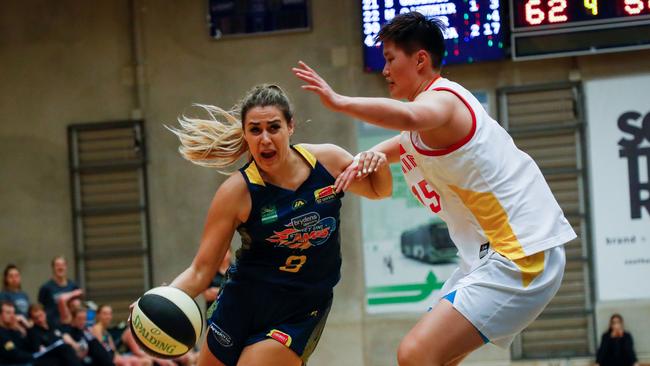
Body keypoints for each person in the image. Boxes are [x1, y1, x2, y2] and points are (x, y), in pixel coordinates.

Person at [293, 11, 576, 366]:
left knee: (415, 353)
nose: (384, 71)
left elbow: (408, 118)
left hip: (522, 255)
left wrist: (340, 102)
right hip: (488, 257)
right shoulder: (422, 129)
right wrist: (360, 158)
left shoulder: (445, 101)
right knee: (435, 357)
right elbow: (391, 145)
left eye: (390, 59)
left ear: (421, 60)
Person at [161, 84, 391, 366]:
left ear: (290, 127)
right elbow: (200, 270)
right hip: (243, 302)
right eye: (255, 130)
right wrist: (160, 300)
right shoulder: (236, 192)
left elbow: (379, 191)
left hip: (302, 308)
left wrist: (379, 163)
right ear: (246, 134)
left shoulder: (327, 163)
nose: (265, 138)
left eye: (274, 127)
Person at [38, 255, 80, 328]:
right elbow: (41, 308)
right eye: (57, 265)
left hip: (70, 326)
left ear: (66, 267)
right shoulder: (46, 287)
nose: (60, 268)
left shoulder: (73, 286)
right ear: (53, 268)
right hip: (53, 327)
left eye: (63, 265)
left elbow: (77, 307)